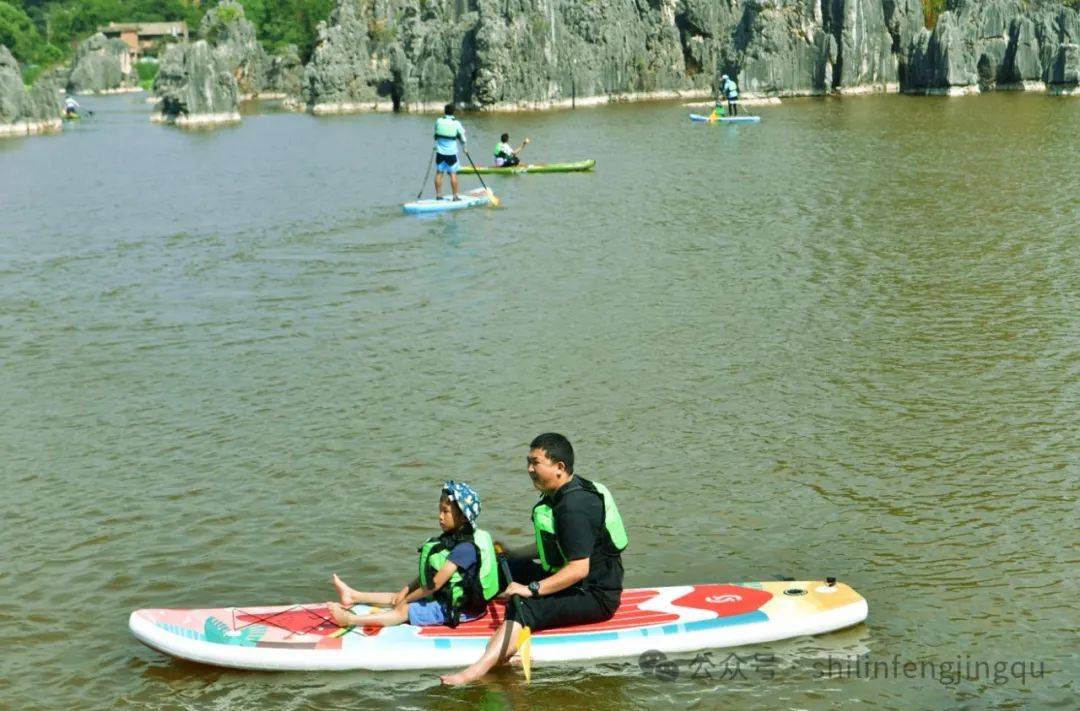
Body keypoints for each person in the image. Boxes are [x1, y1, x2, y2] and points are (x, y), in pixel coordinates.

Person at [441, 433, 628, 685]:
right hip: (571, 579)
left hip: (594, 594)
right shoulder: (561, 494)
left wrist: (532, 589)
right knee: (503, 565)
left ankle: (474, 672)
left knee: (525, 606)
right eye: (528, 462)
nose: (529, 469)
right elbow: (555, 547)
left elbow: (578, 568)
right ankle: (452, 604)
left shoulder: (575, 507)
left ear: (559, 467)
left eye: (535, 462)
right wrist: (513, 554)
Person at [328, 481, 500, 629]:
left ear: (463, 517)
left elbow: (435, 584)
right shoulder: (454, 538)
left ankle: (350, 620)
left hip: (461, 610)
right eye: (439, 510)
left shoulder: (465, 549)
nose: (440, 517)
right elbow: (434, 573)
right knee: (399, 597)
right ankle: (353, 596)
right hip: (448, 596)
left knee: (403, 609)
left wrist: (407, 601)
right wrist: (405, 591)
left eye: (446, 512)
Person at [433, 103, 466, 201]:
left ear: (445, 111)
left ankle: (439, 195)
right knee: (453, 174)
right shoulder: (456, 123)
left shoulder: (438, 121)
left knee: (439, 173)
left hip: (440, 153)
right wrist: (464, 147)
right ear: (453, 112)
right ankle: (455, 196)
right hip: (451, 153)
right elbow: (463, 137)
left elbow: (436, 132)